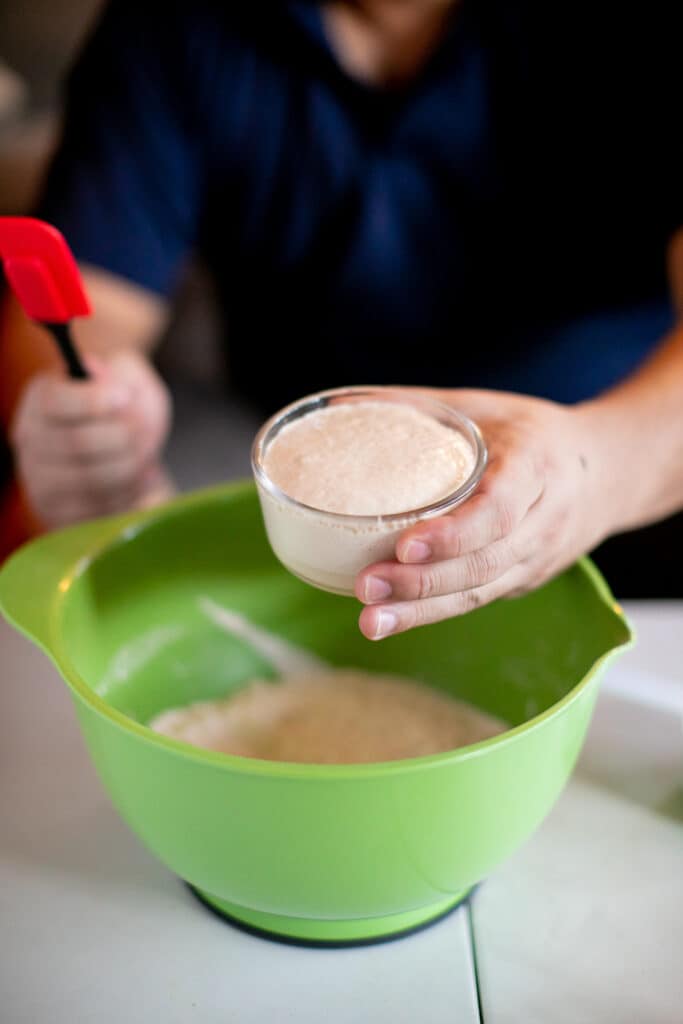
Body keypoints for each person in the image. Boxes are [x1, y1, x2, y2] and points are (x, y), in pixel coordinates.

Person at [1, 0, 682, 640]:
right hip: (303, 515)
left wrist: (596, 467)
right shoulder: (173, 25)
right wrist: (90, 427)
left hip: (632, 485)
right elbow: (82, 314)